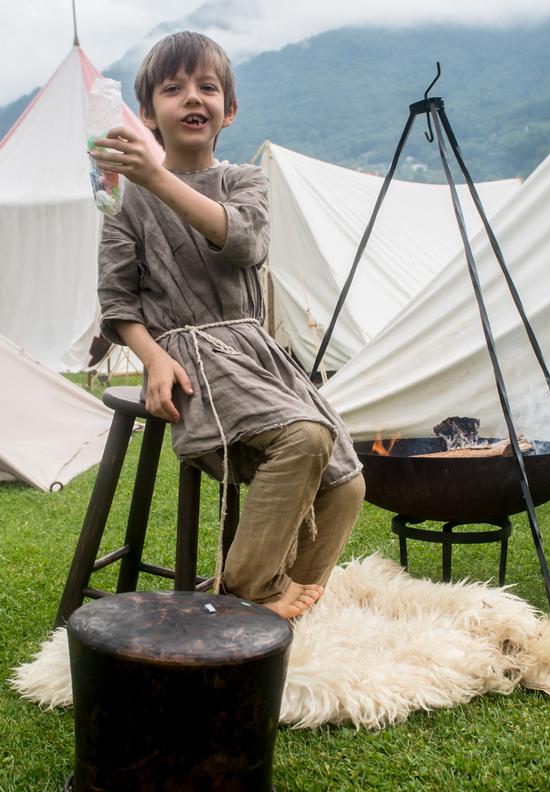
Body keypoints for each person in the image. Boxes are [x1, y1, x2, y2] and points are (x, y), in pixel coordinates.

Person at [91, 31, 364, 619]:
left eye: (207, 87)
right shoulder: (122, 201)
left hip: (257, 350)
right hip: (187, 356)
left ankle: (280, 596)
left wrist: (155, 177)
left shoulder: (245, 181)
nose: (193, 97)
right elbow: (117, 303)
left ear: (228, 111)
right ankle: (249, 594)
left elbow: (244, 242)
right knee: (306, 438)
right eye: (174, 88)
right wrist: (154, 358)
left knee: (348, 480)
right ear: (147, 114)